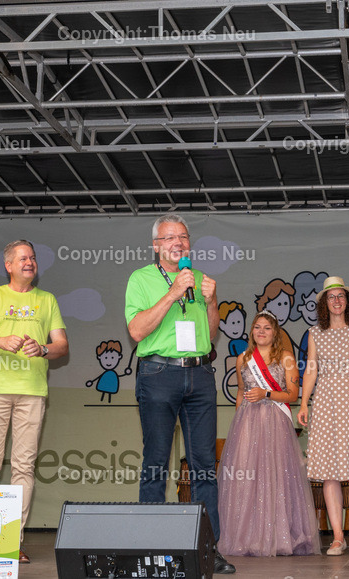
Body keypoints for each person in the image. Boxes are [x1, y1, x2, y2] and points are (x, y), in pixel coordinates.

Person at [125, 214, 235, 574]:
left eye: (184, 237)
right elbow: (137, 330)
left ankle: (209, 548)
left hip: (200, 374)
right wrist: (173, 292)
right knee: (156, 459)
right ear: (156, 245)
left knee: (204, 465)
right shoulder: (140, 278)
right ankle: (151, 548)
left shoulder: (200, 279)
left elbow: (211, 330)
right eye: (170, 237)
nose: (179, 243)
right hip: (158, 373)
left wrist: (213, 300)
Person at [0, 239, 68, 564]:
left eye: (33, 258)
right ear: (8, 265)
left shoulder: (46, 299)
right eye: (23, 258)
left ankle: (10, 541)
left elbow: (62, 345)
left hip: (33, 392)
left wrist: (44, 349)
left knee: (24, 466)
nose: (30, 262)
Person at [218, 311, 320, 556]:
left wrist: (266, 394)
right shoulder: (243, 358)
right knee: (245, 479)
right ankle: (247, 537)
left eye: (266, 328)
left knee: (276, 476)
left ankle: (279, 537)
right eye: (257, 327)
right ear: (252, 331)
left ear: (275, 332)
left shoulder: (285, 357)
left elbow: (293, 395)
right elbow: (241, 392)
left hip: (275, 422)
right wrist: (238, 423)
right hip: (247, 424)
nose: (261, 331)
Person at [297, 276, 349, 558]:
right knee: (328, 473)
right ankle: (337, 537)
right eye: (331, 296)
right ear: (324, 302)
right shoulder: (315, 333)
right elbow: (311, 370)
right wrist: (304, 403)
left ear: (348, 301)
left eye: (341, 296)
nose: (336, 300)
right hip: (324, 402)